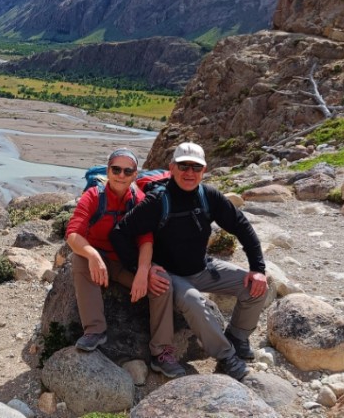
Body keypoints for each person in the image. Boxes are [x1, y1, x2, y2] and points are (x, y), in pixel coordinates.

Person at [110, 142, 268, 380]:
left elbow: (241, 226)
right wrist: (143, 268)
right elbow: (119, 233)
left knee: (255, 287)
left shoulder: (209, 196)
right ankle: (226, 356)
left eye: (196, 167)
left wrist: (257, 268)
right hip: (171, 276)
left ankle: (237, 337)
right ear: (172, 167)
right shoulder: (158, 201)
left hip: (202, 268)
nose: (190, 173)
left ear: (204, 171)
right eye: (184, 166)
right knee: (195, 301)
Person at [65, 148, 186, 378]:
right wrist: (92, 255)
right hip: (97, 256)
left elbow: (146, 239)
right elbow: (73, 234)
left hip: (124, 260)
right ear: (108, 171)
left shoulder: (139, 200)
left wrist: (143, 271)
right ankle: (95, 330)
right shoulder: (93, 196)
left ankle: (161, 353)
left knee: (161, 283)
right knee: (79, 257)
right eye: (116, 169)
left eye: (127, 171)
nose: (121, 175)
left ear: (134, 174)